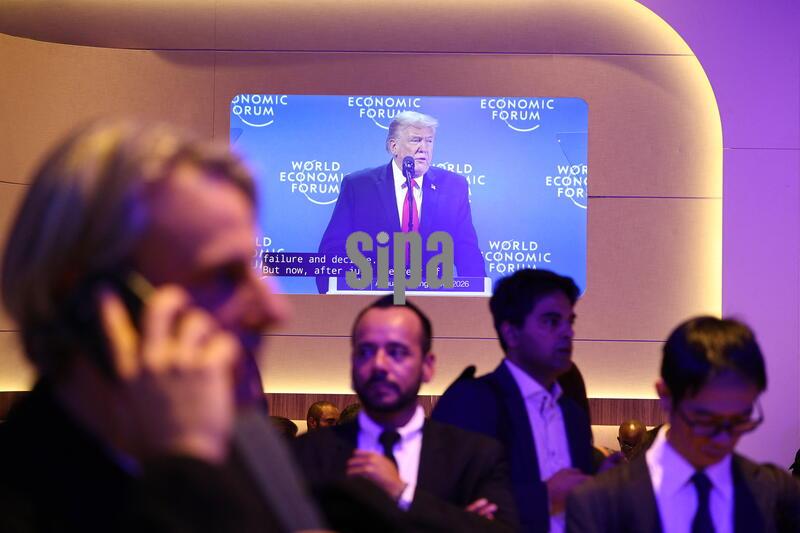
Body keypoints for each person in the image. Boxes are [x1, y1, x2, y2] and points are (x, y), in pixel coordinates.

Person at [0, 120, 323, 532]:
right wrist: (186, 472)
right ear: (90, 300)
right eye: (224, 276)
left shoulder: (246, 440)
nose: (274, 309)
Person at [294, 295, 519, 532]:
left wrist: (403, 494)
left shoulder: (474, 456)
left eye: (397, 352)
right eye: (366, 352)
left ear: (427, 366)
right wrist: (459, 523)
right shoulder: (307, 452)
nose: (379, 364)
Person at [566, 316, 800, 533]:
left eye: (740, 420)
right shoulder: (600, 503)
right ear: (666, 396)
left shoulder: (775, 493)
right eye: (706, 420)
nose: (723, 439)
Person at [433, 269, 594, 533]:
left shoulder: (572, 414)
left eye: (570, 321)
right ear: (511, 333)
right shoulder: (472, 401)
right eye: (552, 321)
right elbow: (445, 508)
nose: (567, 332)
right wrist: (543, 499)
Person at [316, 111, 485, 292]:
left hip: (435, 297)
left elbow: (467, 252)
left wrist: (479, 299)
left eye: (429, 141)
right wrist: (335, 299)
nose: (424, 148)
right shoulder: (359, 186)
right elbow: (333, 251)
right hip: (373, 295)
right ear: (393, 146)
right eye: (415, 140)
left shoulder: (453, 187)